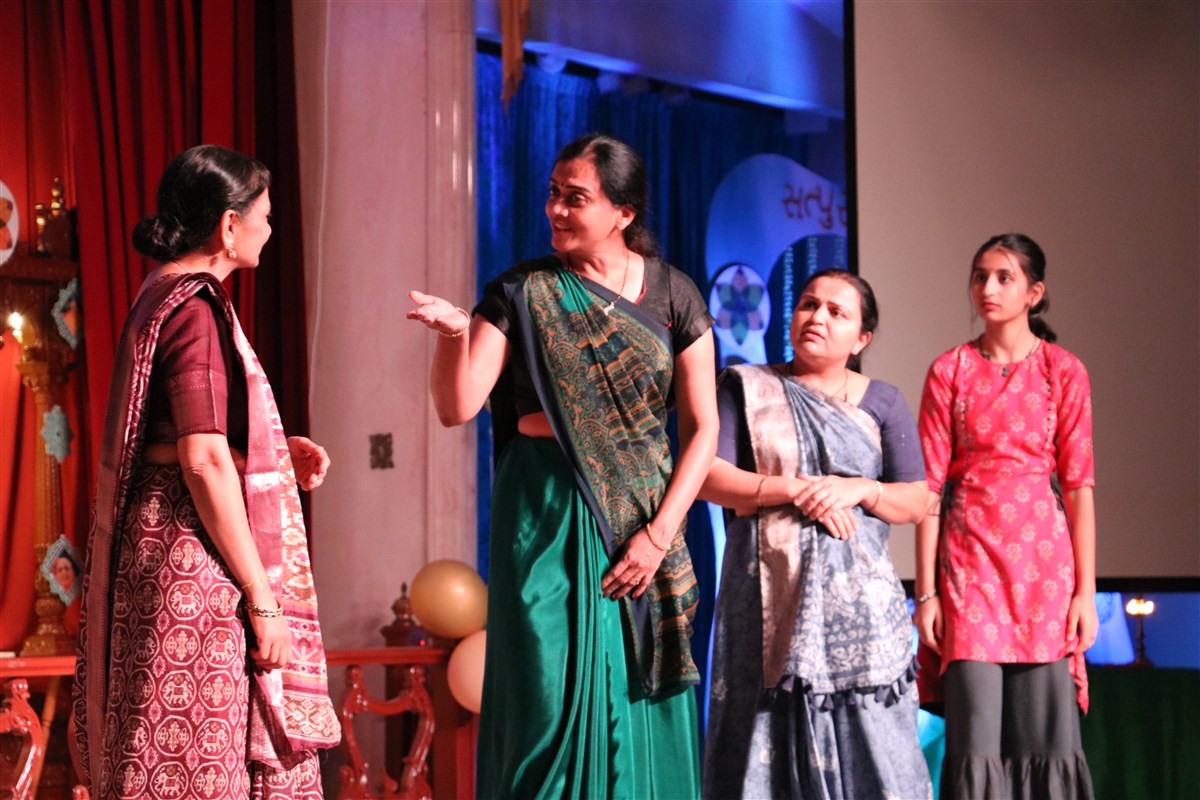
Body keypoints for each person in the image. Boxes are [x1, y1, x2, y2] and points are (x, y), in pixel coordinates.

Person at [408, 133, 717, 799]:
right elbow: (457, 407)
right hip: (544, 512)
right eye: (553, 193)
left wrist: (659, 534)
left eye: (575, 198)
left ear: (623, 213)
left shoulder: (675, 295)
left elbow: (703, 430)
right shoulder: (522, 291)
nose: (555, 209)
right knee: (545, 694)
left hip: (640, 520)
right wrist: (455, 335)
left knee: (635, 685)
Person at [73, 145, 340, 799]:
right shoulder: (195, 309)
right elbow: (200, 458)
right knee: (197, 753)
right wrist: (262, 599)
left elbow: (180, 440)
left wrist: (267, 452)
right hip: (191, 554)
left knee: (159, 740)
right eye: (265, 217)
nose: (269, 231)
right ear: (229, 225)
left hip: (154, 539)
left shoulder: (157, 293)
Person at [699, 269, 933, 799]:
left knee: (877, 752)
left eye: (836, 312)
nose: (817, 317)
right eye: (808, 304)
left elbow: (916, 500)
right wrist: (798, 489)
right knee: (763, 738)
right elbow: (710, 478)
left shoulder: (883, 401)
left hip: (861, 617)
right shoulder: (745, 387)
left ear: (861, 339)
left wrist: (861, 489)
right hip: (765, 603)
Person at [914, 233, 1096, 799]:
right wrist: (926, 595)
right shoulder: (949, 370)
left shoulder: (1064, 371)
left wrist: (1085, 592)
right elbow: (928, 492)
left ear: (1034, 294)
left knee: (1046, 738)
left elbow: (1080, 487)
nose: (986, 288)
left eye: (1003, 277)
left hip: (1044, 571)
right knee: (975, 739)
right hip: (970, 567)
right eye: (979, 276)